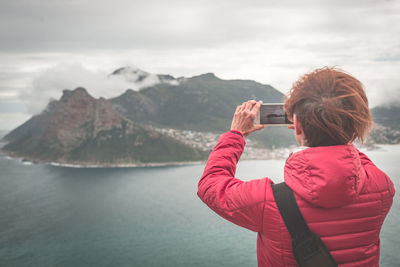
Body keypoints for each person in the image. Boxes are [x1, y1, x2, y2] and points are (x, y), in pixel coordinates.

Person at [197, 67, 395, 266]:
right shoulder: (382, 187)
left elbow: (211, 186)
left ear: (297, 125)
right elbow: (354, 160)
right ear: (355, 122)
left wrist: (235, 134)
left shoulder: (266, 201)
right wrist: (332, 126)